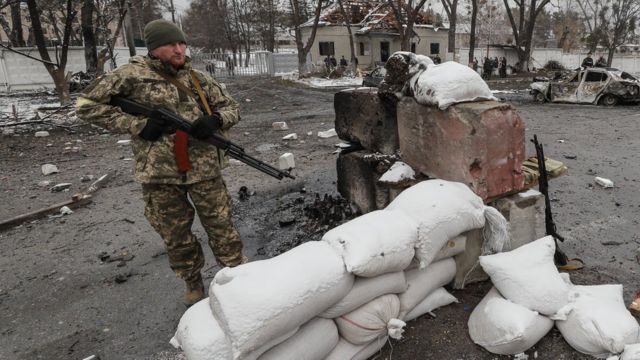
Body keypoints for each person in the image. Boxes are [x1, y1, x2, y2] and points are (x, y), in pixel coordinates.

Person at [75, 19, 247, 306]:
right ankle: (193, 282)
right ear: (154, 48)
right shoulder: (129, 75)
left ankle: (236, 277)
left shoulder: (198, 78)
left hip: (204, 169)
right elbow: (85, 106)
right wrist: (136, 125)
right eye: (171, 44)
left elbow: (233, 108)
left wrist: (215, 120)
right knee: (175, 234)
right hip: (159, 174)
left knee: (222, 227)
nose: (179, 50)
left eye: (182, 43)